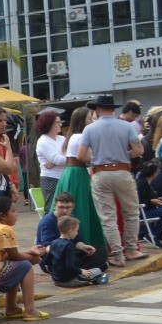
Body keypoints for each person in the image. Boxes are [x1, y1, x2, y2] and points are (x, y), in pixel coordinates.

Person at [83, 94, 145, 266]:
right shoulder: (126, 126)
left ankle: (118, 255)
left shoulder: (90, 129)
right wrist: (125, 154)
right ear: (113, 109)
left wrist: (96, 158)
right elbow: (139, 150)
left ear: (98, 109)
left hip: (100, 173)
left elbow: (81, 154)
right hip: (123, 171)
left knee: (107, 216)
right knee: (131, 212)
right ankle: (131, 249)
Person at [0, 196, 46, 321]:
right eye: (13, 211)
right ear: (2, 215)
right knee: (25, 266)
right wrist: (32, 258)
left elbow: (8, 255)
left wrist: (30, 251)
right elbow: (15, 256)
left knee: (15, 266)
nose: (16, 214)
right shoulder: (4, 229)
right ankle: (30, 310)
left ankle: (12, 308)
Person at [53, 106, 103, 250]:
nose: (92, 121)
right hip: (78, 173)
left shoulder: (73, 136)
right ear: (82, 121)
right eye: (89, 118)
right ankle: (84, 242)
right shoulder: (80, 137)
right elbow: (87, 157)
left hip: (72, 172)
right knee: (81, 208)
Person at [36, 192, 108, 278]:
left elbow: (76, 241)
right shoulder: (48, 221)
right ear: (55, 206)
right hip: (53, 258)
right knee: (70, 260)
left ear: (72, 207)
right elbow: (47, 247)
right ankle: (87, 268)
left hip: (69, 251)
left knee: (101, 250)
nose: (64, 211)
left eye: (67, 207)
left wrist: (84, 247)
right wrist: (64, 252)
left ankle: (82, 268)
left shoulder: (71, 218)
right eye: (61, 207)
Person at [45, 217, 106, 287]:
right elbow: (70, 266)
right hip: (69, 280)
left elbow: (47, 261)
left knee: (83, 270)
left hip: (56, 280)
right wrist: (81, 272)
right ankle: (95, 279)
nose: (77, 233)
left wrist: (55, 273)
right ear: (70, 231)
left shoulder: (54, 242)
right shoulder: (68, 245)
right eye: (76, 231)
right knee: (97, 271)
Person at [34, 111, 67, 214]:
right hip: (51, 178)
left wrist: (56, 162)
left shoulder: (62, 138)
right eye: (58, 122)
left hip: (63, 177)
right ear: (49, 125)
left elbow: (64, 157)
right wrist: (58, 161)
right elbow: (59, 159)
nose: (61, 124)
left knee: (65, 207)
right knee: (51, 208)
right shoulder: (43, 141)